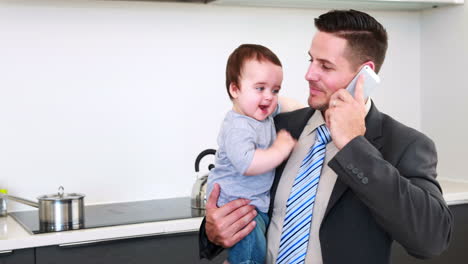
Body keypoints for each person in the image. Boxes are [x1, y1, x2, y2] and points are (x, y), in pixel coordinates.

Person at [199, 9, 453, 264]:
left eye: (325, 66)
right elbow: (239, 197)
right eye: (311, 60)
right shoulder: (278, 127)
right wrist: (213, 230)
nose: (309, 74)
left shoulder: (404, 144)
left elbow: (431, 239)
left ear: (364, 73)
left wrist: (355, 145)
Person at [207, 44, 303, 264]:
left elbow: (287, 105)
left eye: (275, 90)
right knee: (250, 255)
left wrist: (305, 110)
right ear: (235, 90)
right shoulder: (237, 126)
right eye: (260, 88)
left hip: (253, 205)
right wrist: (279, 150)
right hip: (235, 209)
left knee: (255, 253)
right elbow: (248, 164)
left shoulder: (261, 113)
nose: (269, 97)